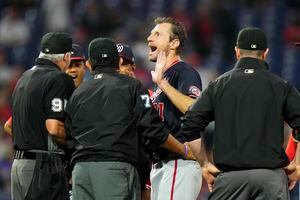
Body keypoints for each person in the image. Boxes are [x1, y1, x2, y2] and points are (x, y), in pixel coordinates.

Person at [65, 38, 195, 200]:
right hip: (114, 169)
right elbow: (153, 129)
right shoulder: (133, 86)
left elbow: (68, 136)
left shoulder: (77, 93)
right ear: (117, 61)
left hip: (81, 172)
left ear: (90, 64)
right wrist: (185, 150)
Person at [182, 27, 300, 200]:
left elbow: (190, 124)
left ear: (237, 51)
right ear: (265, 53)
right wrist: (297, 164)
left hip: (230, 179)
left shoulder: (218, 85)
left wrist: (204, 164)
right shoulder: (281, 86)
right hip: (271, 179)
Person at [11, 32, 75, 200]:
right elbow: (54, 128)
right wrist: (75, 145)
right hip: (42, 166)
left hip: (19, 166)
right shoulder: (59, 78)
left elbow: (9, 126)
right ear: (66, 56)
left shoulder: (24, 78)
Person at [147, 17, 202, 200]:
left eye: (157, 34)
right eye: (151, 33)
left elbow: (194, 108)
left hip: (179, 163)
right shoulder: (161, 78)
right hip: (163, 165)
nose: (149, 38)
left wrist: (163, 84)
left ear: (174, 43)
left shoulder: (183, 71)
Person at [3, 43, 86, 136]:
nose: (73, 70)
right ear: (62, 67)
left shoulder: (91, 95)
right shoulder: (49, 94)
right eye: (69, 66)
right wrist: (35, 145)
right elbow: (10, 125)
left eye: (77, 65)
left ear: (85, 67)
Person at [117, 43, 151, 200]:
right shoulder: (100, 93)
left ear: (133, 67)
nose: (118, 67)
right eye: (115, 63)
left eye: (124, 63)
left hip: (141, 168)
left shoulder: (147, 94)